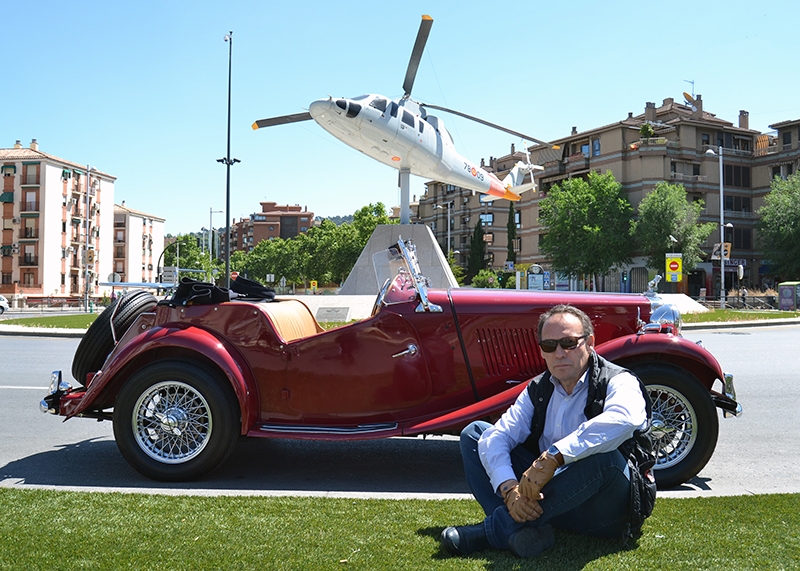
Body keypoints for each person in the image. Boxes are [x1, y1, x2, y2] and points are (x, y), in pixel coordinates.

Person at [441, 304, 655, 558]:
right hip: (552, 504)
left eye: (569, 342)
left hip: (605, 511)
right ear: (542, 351)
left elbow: (624, 419)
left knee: (604, 460)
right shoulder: (538, 388)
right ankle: (524, 529)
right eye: (550, 346)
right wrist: (509, 490)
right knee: (476, 434)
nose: (560, 353)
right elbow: (499, 436)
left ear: (590, 343)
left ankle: (497, 530)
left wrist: (555, 456)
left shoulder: (619, 380)